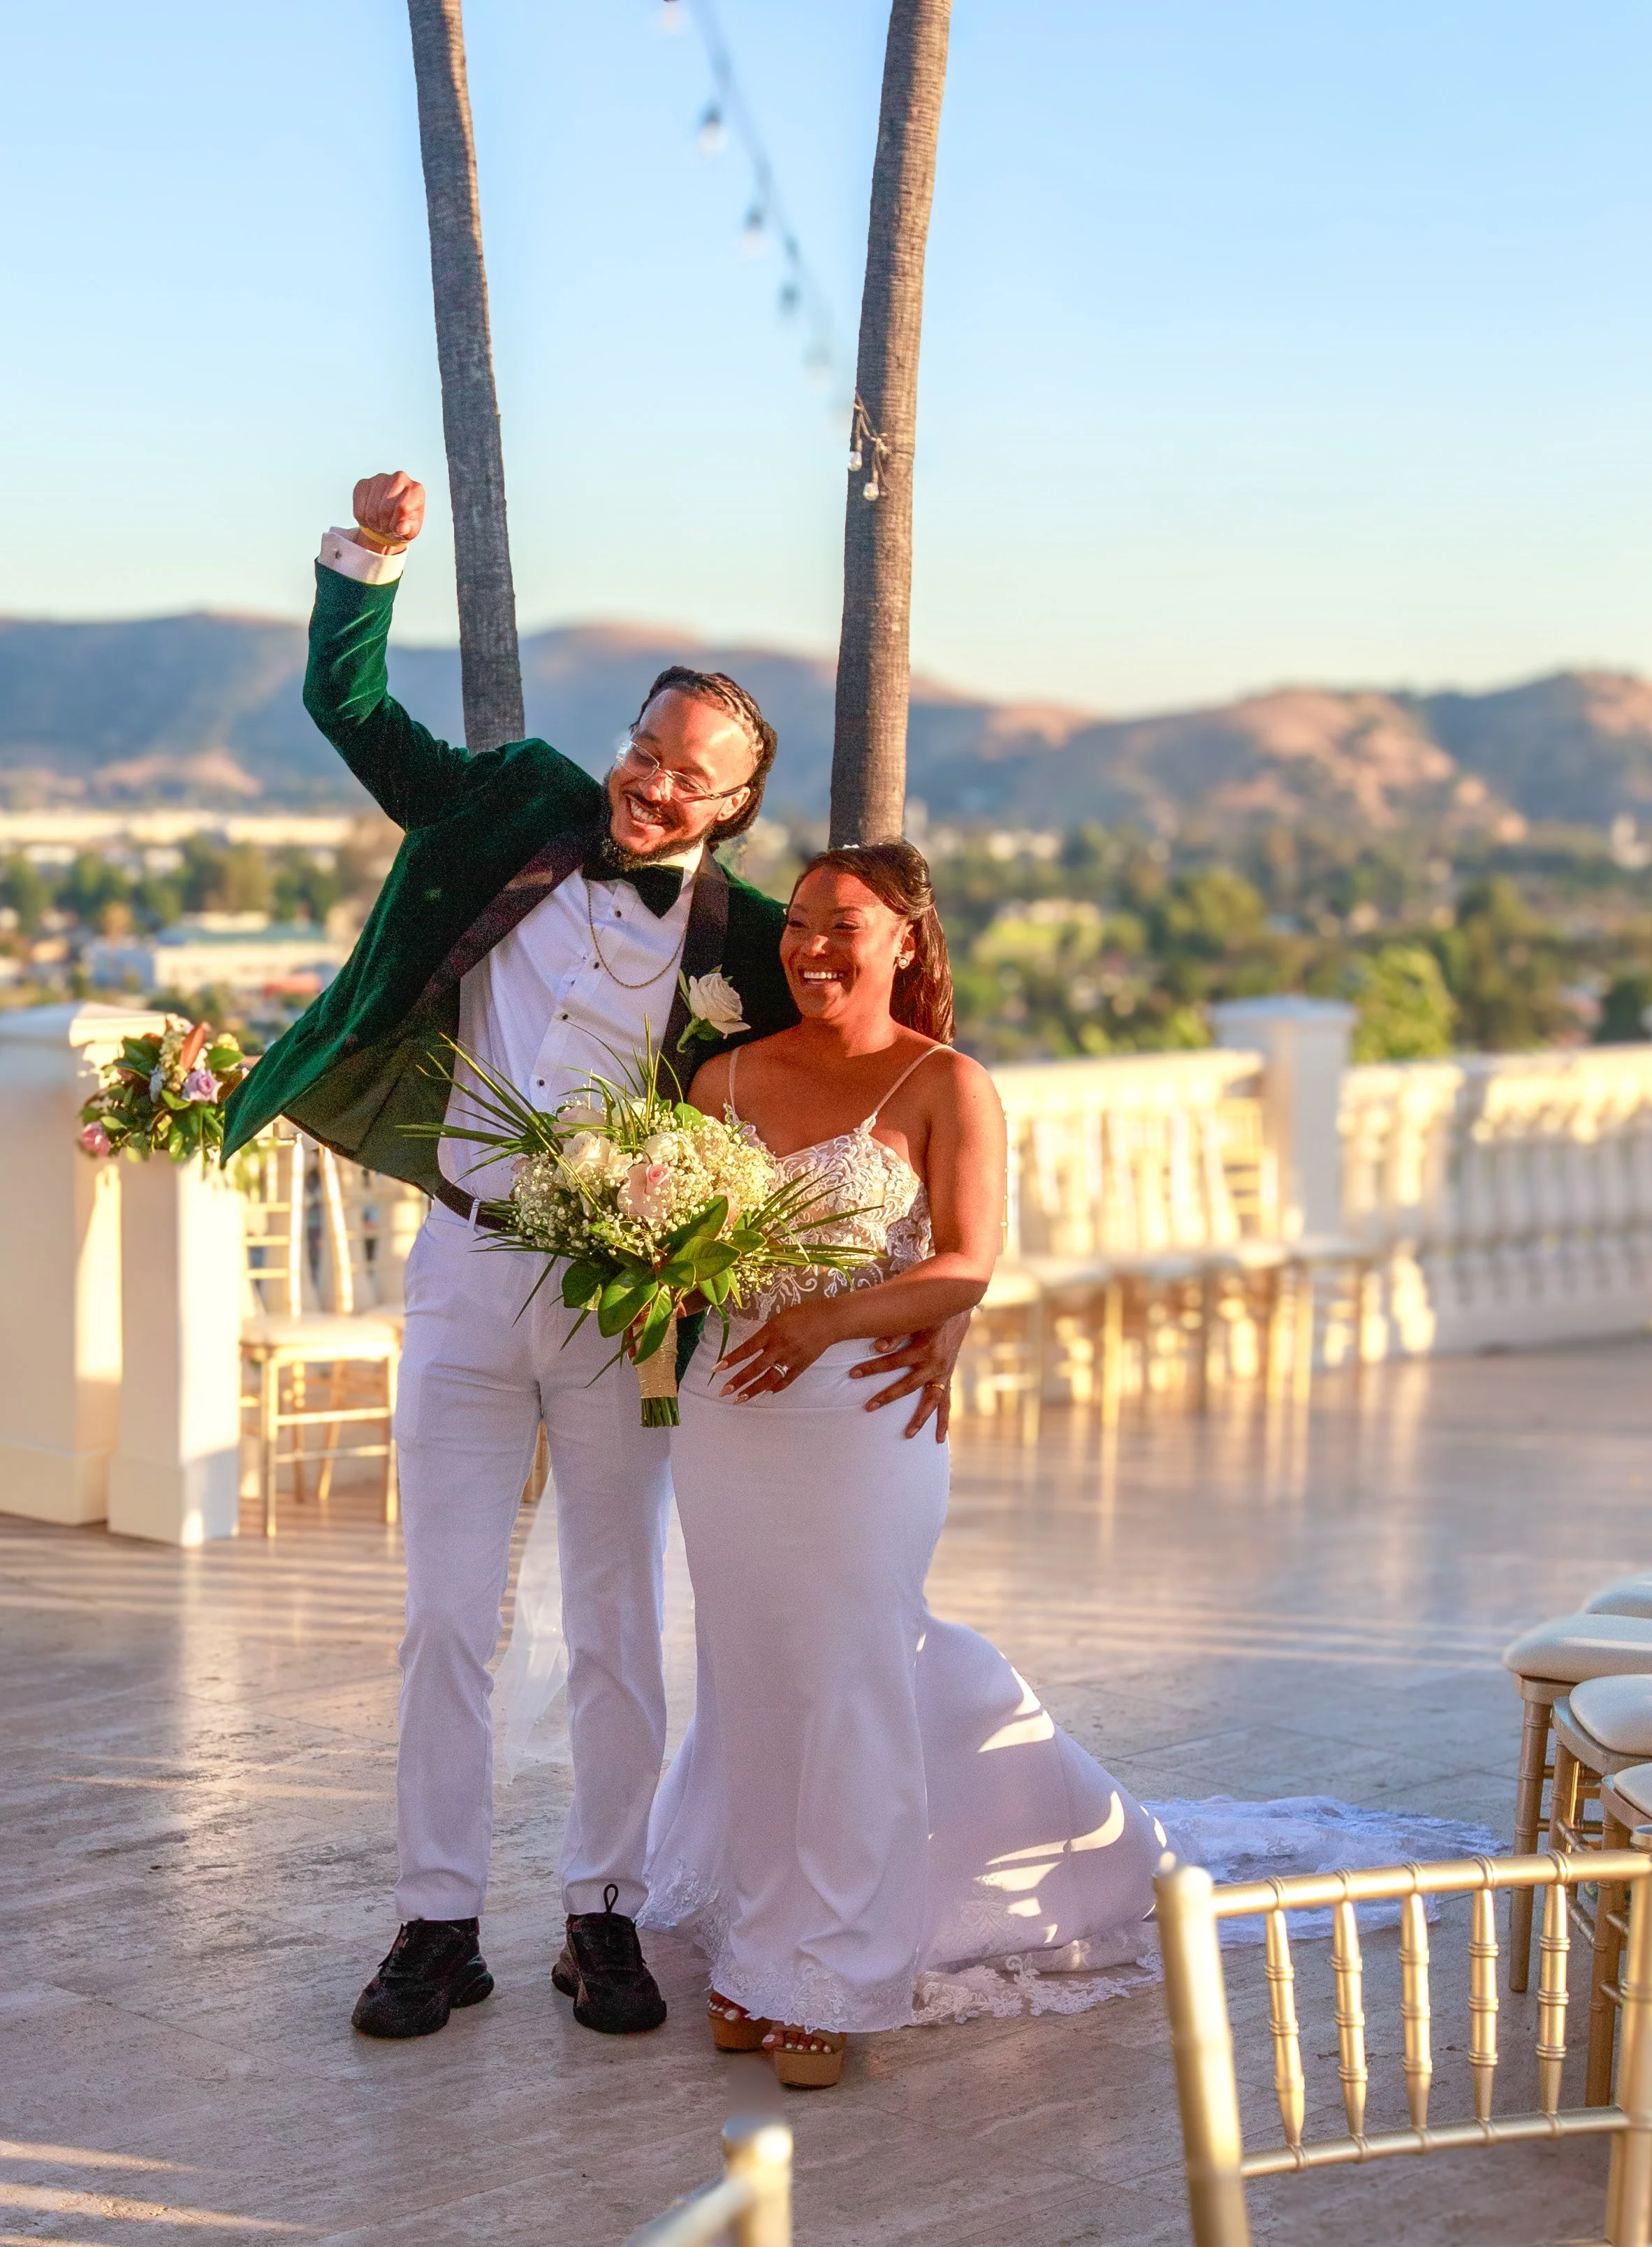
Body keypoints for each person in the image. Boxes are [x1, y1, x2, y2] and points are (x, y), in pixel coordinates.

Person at [221, 475, 969, 2042]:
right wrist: (374, 557)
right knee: (445, 1613)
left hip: (632, 1314)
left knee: (618, 1618)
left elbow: (880, 1068)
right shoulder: (507, 805)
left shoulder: (755, 944)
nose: (650, 785)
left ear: (732, 809)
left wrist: (930, 1300)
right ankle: (436, 1918)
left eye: (688, 777)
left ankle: (603, 1913)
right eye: (644, 750)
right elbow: (342, 703)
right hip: (461, 1273)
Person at [644, 841, 1161, 2088]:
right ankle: (760, 1945)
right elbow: (672, 1251)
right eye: (802, 923)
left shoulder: (948, 1086)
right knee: (755, 1673)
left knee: (849, 1677)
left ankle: (839, 1970)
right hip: (730, 1414)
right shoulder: (717, 1081)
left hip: (867, 1414)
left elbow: (969, 1261)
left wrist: (831, 1320)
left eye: (847, 924)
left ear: (905, 942)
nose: (816, 946)